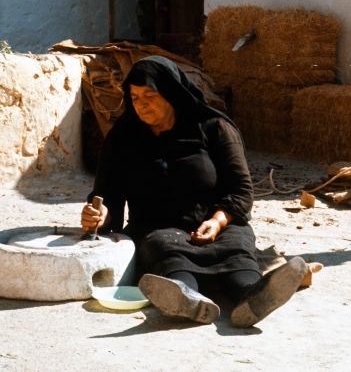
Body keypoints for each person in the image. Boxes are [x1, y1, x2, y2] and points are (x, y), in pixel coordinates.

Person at [80, 56, 307, 327]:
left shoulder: (213, 128)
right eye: (135, 97)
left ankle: (253, 298)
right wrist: (100, 215)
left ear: (172, 94)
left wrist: (217, 220)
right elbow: (108, 194)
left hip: (219, 226)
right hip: (156, 228)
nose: (141, 104)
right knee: (169, 256)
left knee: (237, 256)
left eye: (150, 95)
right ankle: (188, 300)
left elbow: (241, 189)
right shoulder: (122, 137)